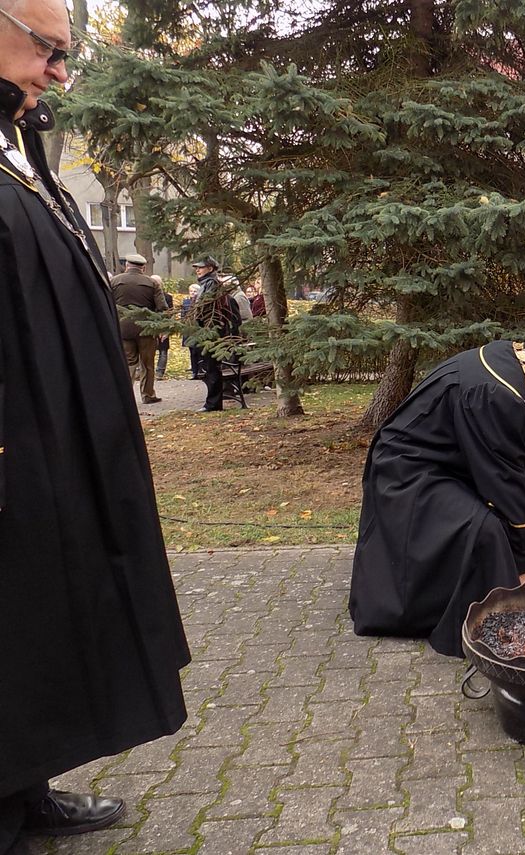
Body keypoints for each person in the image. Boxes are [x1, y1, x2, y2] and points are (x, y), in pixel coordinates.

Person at [0, 1, 190, 848]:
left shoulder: (20, 144)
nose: (60, 73)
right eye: (50, 49)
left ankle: (23, 780)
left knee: (40, 612)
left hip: (54, 444)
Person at [350, 338, 525, 657]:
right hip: (408, 472)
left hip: (449, 460)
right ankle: (498, 607)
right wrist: (517, 571)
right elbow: (503, 486)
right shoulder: (497, 390)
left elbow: (512, 430)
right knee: (486, 528)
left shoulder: (521, 361)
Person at [109, 253, 165, 403]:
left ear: (127, 266)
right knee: (147, 363)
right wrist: (161, 328)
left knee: (129, 362)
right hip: (146, 329)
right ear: (143, 267)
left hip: (123, 328)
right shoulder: (152, 283)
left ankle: (125, 397)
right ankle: (148, 395)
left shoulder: (114, 281)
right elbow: (162, 308)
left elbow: (108, 305)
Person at [191, 256, 240, 412]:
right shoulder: (208, 284)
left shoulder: (211, 285)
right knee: (209, 369)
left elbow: (207, 310)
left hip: (212, 335)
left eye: (200, 267)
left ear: (210, 269)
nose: (197, 270)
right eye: (196, 268)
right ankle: (212, 403)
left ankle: (212, 404)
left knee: (212, 370)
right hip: (208, 334)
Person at [152, 275, 174, 380]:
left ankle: (160, 372)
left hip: (163, 325)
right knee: (148, 350)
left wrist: (167, 328)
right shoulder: (147, 295)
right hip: (149, 326)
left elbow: (170, 313)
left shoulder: (168, 297)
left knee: (163, 350)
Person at [181, 282, 203, 378]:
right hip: (188, 330)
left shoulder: (201, 302)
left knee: (198, 351)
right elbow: (183, 315)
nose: (193, 293)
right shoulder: (186, 302)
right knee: (191, 351)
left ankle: (200, 370)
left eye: (195, 291)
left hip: (197, 330)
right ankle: (194, 371)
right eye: (191, 291)